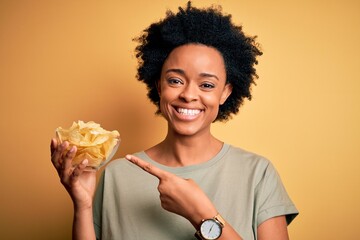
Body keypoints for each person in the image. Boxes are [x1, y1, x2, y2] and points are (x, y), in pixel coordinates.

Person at [50, 2, 298, 239]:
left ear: (225, 93)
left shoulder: (258, 174)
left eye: (207, 85)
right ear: (159, 85)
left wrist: (201, 215)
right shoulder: (116, 176)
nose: (189, 95)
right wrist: (82, 206)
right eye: (175, 80)